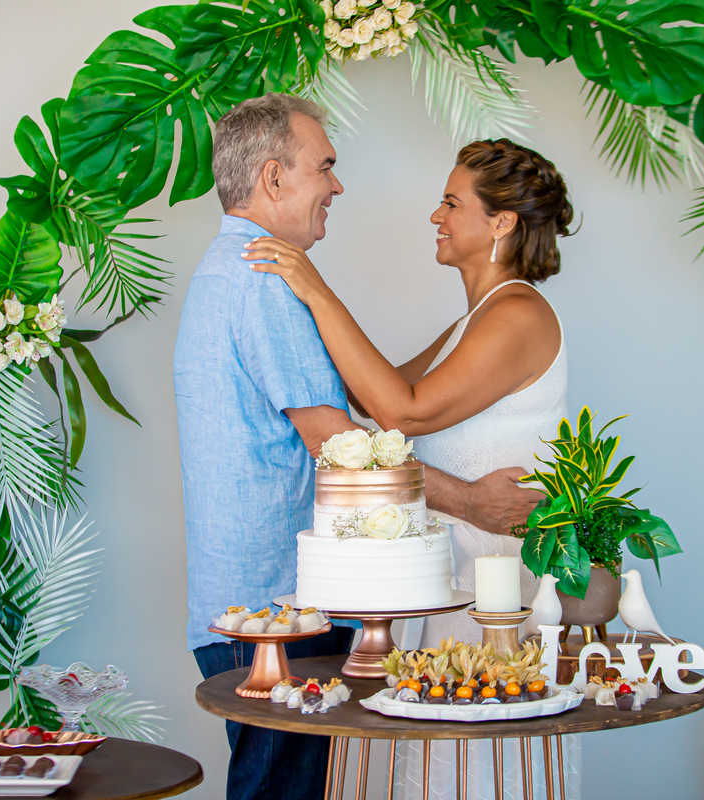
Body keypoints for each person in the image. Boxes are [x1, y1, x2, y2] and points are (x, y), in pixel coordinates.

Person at [175, 95, 541, 800]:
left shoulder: (235, 270)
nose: (337, 186)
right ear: (275, 177)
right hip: (279, 615)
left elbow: (378, 404)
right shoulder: (264, 279)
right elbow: (340, 445)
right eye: (326, 168)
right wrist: (472, 503)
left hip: (256, 609)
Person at [245, 137, 579, 799]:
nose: (437, 215)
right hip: (444, 578)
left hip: (494, 593)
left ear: (502, 222)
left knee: (475, 769)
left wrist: (315, 291)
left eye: (453, 203)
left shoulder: (518, 313)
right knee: (429, 769)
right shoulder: (473, 322)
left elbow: (405, 409)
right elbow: (373, 400)